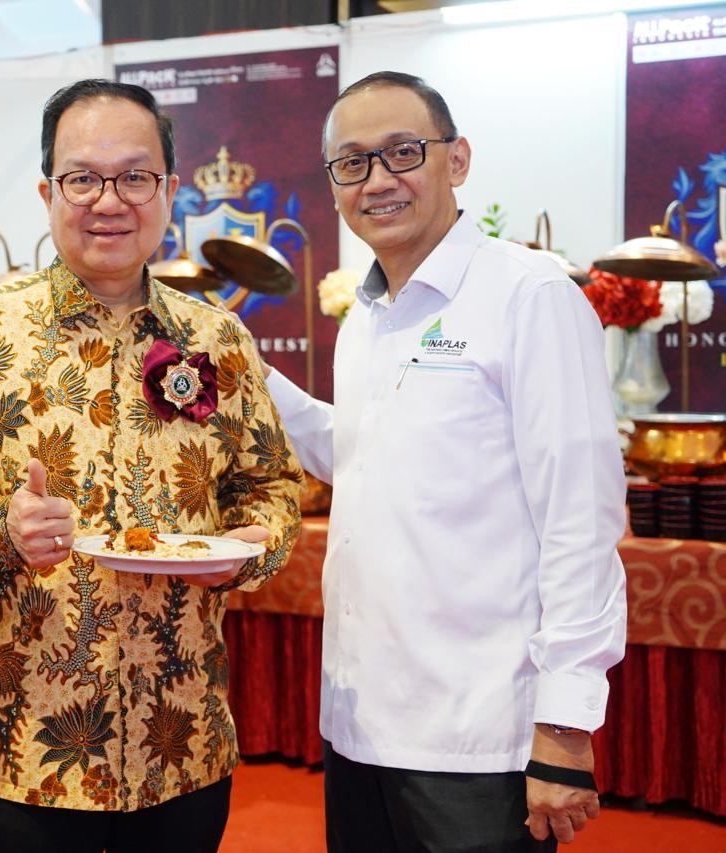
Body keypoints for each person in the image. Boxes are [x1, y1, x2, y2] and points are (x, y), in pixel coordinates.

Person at [0, 79, 305, 853]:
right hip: (26, 744)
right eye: (82, 178)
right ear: (47, 192)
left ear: (170, 191)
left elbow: (271, 484)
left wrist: (252, 547)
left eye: (134, 176)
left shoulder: (216, 339)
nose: (108, 200)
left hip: (181, 735)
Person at [265, 71, 628, 851]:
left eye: (403, 151)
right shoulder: (367, 317)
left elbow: (581, 519)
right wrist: (249, 374)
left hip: (478, 739)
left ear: (456, 159)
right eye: (352, 162)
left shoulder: (527, 294)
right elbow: (356, 456)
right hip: (360, 725)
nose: (378, 180)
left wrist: (565, 726)